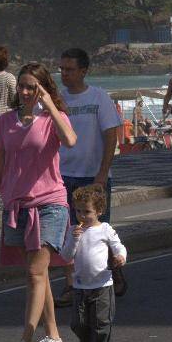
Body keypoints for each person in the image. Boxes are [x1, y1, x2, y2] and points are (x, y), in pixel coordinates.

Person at [0, 62, 77, 342]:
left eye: (33, 86)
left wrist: (50, 106)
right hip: (16, 206)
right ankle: (55, 337)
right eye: (23, 86)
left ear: (43, 88)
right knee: (38, 275)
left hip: (50, 204)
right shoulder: (5, 122)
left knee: (35, 273)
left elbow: (70, 141)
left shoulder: (52, 121)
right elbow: (0, 168)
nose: (26, 91)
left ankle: (25, 340)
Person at [55, 48, 125, 308]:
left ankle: (113, 269)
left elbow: (111, 136)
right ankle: (72, 285)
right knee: (70, 233)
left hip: (93, 177)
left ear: (83, 71)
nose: (64, 73)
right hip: (63, 176)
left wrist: (103, 172)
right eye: (61, 69)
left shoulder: (99, 98)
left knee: (97, 233)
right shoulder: (57, 100)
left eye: (70, 69)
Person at [61, 184, 126, 342]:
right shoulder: (74, 230)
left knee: (101, 322)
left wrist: (121, 256)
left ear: (99, 211)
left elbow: (118, 246)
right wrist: (73, 239)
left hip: (102, 284)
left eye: (87, 211)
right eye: (78, 211)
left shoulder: (105, 229)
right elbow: (66, 256)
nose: (82, 215)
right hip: (80, 286)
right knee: (78, 323)